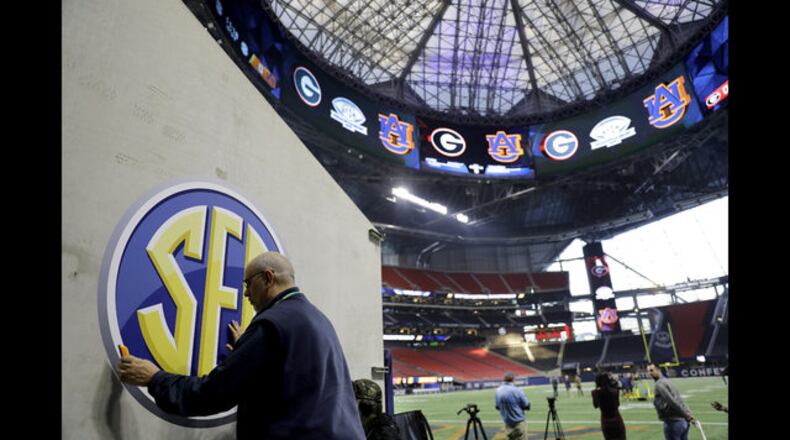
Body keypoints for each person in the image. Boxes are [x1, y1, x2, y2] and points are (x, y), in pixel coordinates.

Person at [117, 252, 366, 439]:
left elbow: (212, 394)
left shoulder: (271, 325)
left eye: (248, 284)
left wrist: (155, 379)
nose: (246, 294)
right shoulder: (317, 319)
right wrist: (249, 348)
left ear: (267, 278)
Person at [647, 363, 696, 440]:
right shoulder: (667, 381)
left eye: (651, 370)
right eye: (648, 371)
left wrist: (687, 416)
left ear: (658, 370)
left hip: (673, 422)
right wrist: (688, 414)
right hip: (683, 422)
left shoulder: (659, 384)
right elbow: (679, 399)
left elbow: (672, 401)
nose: (649, 373)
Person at [494, 372, 531, 440]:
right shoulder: (517, 390)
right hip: (519, 422)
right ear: (513, 379)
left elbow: (497, 407)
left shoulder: (498, 390)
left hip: (507, 423)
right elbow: (527, 405)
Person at [592, 373, 627, 440]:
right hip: (617, 419)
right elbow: (617, 404)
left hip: (605, 421)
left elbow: (595, 405)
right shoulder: (615, 391)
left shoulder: (595, 393)